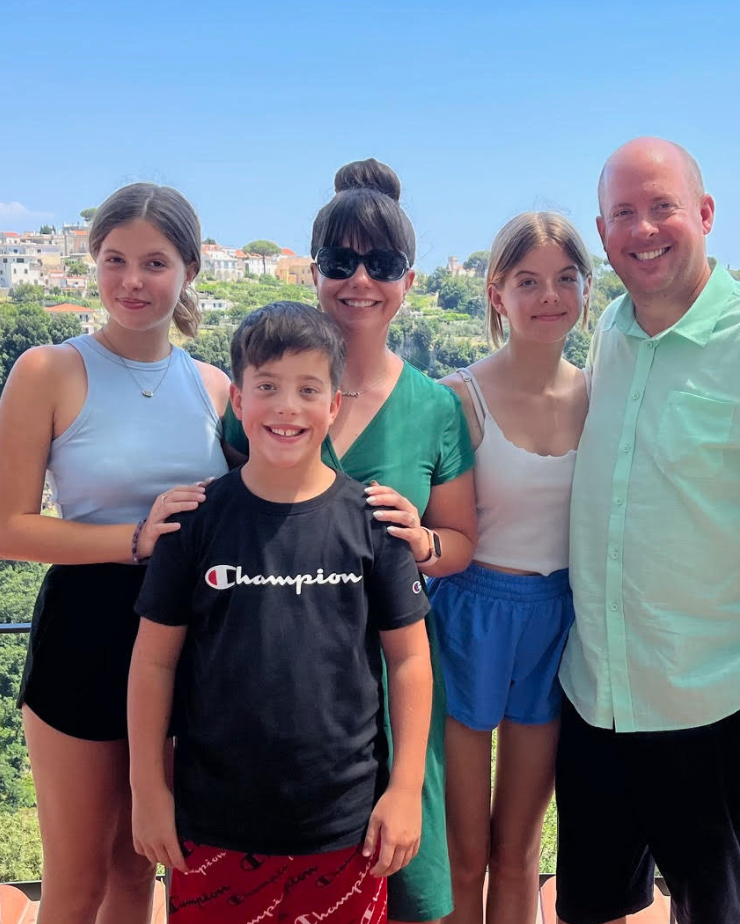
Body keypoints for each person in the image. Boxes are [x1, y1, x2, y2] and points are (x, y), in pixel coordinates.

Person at [556, 138, 740, 924]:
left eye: (663, 207)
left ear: (706, 214)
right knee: (591, 904)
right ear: (603, 228)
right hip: (596, 694)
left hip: (708, 701)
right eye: (624, 213)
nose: (643, 229)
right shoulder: (611, 328)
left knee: (712, 910)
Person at [222, 158, 478, 924]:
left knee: (407, 882)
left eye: (381, 263)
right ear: (314, 271)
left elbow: (463, 540)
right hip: (281, 677)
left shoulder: (434, 408)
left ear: (408, 278)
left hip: (397, 673)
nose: (359, 279)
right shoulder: (267, 398)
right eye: (341, 262)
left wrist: (423, 541)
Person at [128, 301, 434, 924]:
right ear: (238, 402)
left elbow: (409, 662)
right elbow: (153, 664)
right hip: (212, 826)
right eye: (266, 387)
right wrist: (147, 790)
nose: (286, 407)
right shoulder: (195, 522)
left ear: (333, 405)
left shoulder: (373, 522)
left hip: (346, 829)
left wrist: (404, 792)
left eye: (307, 388)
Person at [0, 182, 230, 924]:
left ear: (188, 269)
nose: (132, 281)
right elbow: (8, 529)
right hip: (86, 632)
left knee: (139, 871)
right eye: (115, 259)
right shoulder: (50, 370)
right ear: (92, 263)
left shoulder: (216, 386)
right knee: (76, 880)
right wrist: (134, 541)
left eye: (155, 263)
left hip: (187, 638)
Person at [431, 212, 591, 924]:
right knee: (465, 850)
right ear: (497, 293)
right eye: (528, 280)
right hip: (468, 615)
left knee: (520, 850)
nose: (548, 296)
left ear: (587, 289)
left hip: (557, 621)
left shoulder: (600, 396)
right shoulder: (457, 398)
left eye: (565, 278)